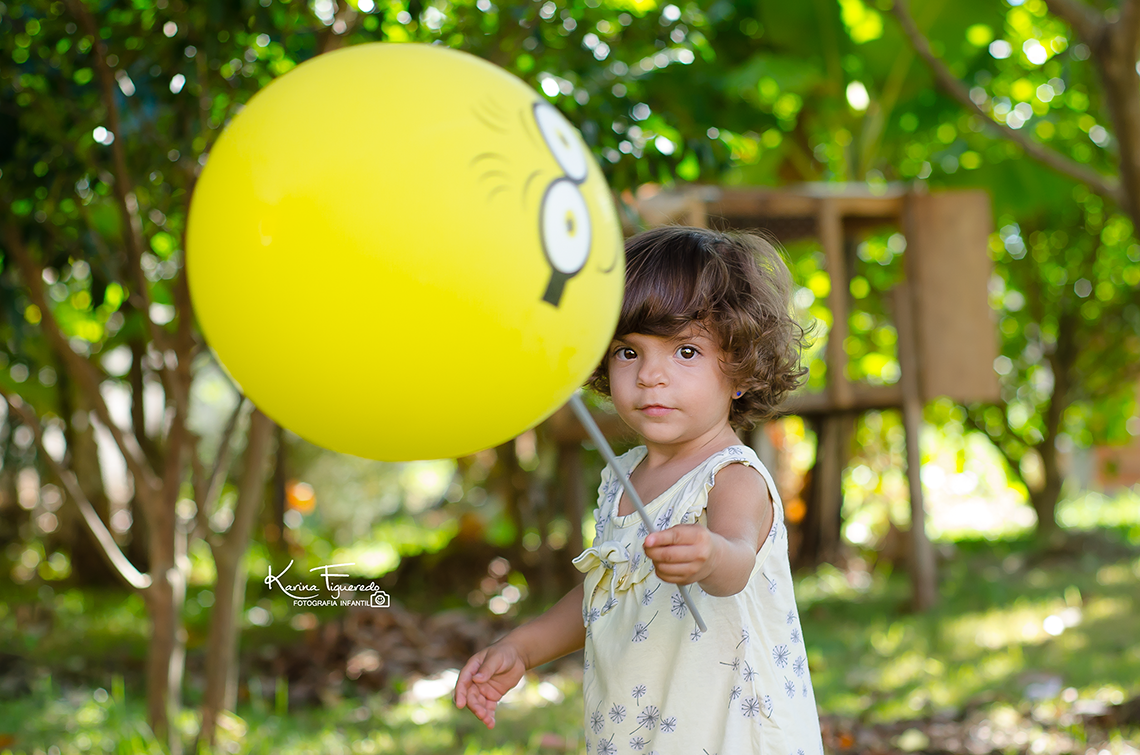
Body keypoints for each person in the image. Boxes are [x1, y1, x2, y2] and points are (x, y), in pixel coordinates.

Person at [455, 225, 822, 755]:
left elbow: (737, 560)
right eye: (628, 352)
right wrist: (522, 648)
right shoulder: (620, 479)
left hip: (728, 735)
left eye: (686, 352)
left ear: (742, 368)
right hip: (641, 729)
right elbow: (606, 594)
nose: (650, 375)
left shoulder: (731, 476)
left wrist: (710, 554)